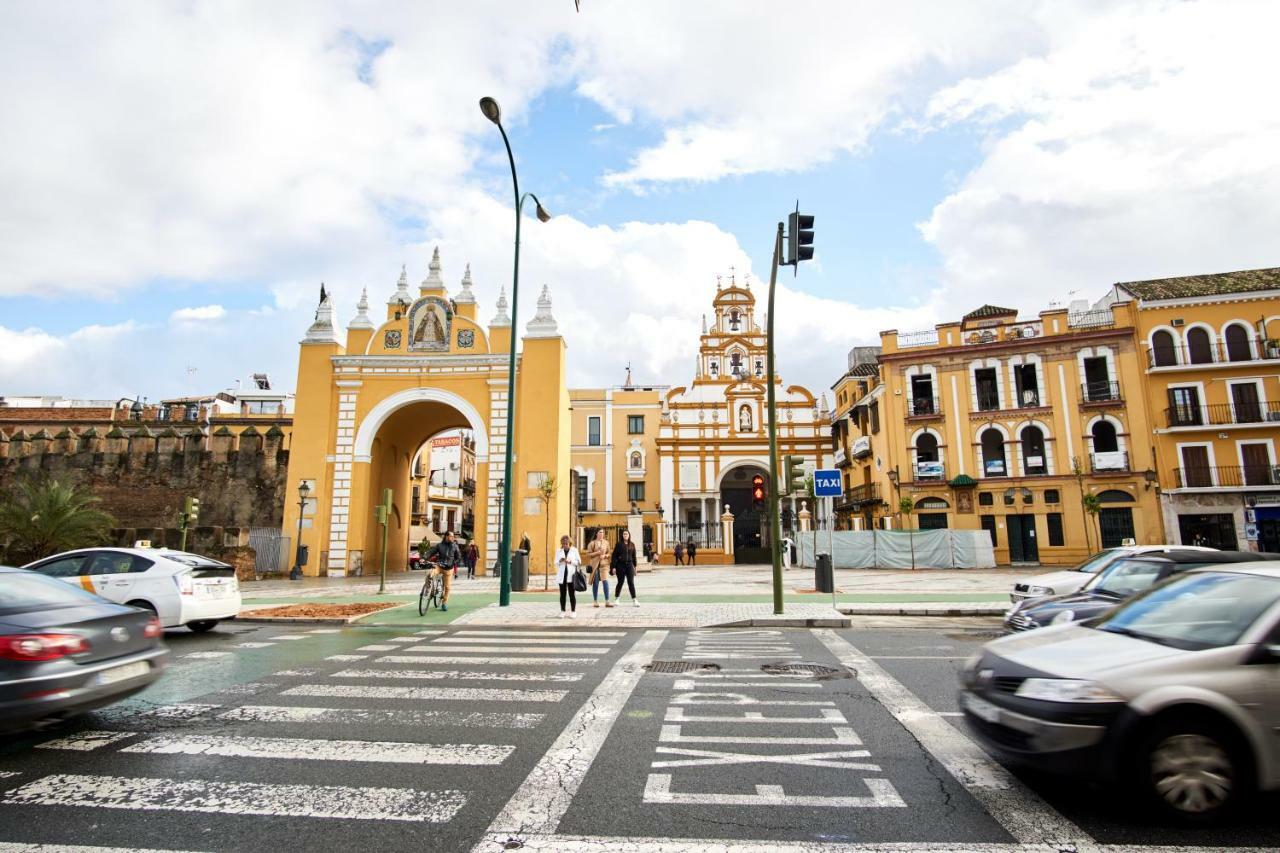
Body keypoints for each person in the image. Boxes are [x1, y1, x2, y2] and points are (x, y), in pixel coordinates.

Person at [427, 531, 462, 612]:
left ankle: (444, 603)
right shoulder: (440, 545)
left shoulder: (455, 546)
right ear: (446, 537)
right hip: (439, 566)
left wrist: (453, 562)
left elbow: (459, 557)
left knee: (447, 587)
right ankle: (428, 589)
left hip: (449, 569)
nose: (453, 538)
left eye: (453, 536)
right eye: (451, 536)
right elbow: (431, 552)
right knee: (430, 573)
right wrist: (424, 557)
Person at [554, 534, 582, 619]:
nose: (565, 545)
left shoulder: (574, 550)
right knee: (562, 594)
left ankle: (573, 611)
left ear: (570, 543)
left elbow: (579, 562)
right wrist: (560, 560)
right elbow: (555, 562)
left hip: (571, 575)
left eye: (566, 543)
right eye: (563, 543)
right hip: (562, 575)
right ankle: (562, 611)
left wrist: (570, 561)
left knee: (571, 594)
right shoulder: (559, 551)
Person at [611, 528, 639, 607]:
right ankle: (617, 599)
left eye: (627, 534)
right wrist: (613, 567)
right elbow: (614, 556)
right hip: (620, 565)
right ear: (622, 535)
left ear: (629, 535)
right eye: (624, 534)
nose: (625, 535)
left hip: (630, 565)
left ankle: (634, 599)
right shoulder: (619, 544)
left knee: (631, 582)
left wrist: (635, 567)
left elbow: (634, 556)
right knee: (620, 582)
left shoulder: (632, 544)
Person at [585, 529, 612, 608]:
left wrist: (605, 556)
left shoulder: (606, 543)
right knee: (595, 583)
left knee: (605, 582)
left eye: (603, 532)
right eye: (600, 532)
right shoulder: (592, 543)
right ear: (596, 533)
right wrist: (598, 553)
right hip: (595, 566)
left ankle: (607, 601)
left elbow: (609, 553)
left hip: (604, 565)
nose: (602, 534)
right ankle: (595, 601)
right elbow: (588, 554)